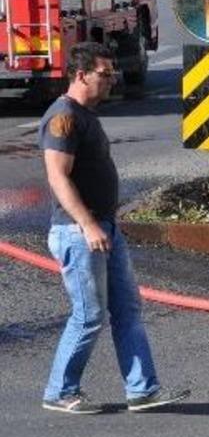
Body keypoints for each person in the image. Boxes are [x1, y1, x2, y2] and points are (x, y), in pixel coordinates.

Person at [39, 42, 190, 413]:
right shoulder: (63, 117)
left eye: (112, 74)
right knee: (88, 316)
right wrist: (89, 225)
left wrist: (103, 225)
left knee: (127, 309)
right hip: (80, 233)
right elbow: (58, 177)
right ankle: (59, 392)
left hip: (104, 229)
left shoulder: (86, 114)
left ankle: (142, 390)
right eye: (104, 75)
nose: (112, 82)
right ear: (80, 75)